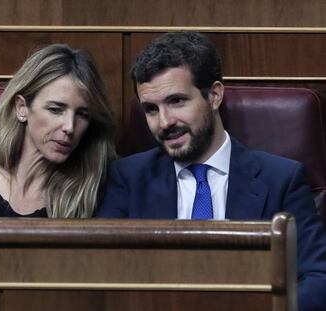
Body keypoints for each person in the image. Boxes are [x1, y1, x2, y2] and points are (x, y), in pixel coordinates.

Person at [96, 32, 326, 311]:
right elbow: (101, 279)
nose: (164, 122)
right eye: (151, 109)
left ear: (215, 95)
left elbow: (318, 279)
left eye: (177, 101)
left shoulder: (281, 179)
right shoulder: (128, 178)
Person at [0, 43, 116, 218]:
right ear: (22, 108)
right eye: (55, 110)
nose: (70, 127)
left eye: (82, 114)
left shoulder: (94, 192)